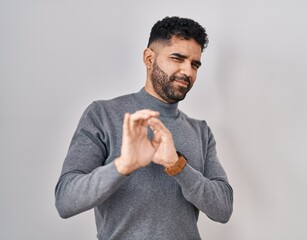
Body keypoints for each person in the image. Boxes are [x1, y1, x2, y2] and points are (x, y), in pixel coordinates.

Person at [55, 16, 233, 240]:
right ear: (149, 59)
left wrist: (177, 166)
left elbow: (223, 209)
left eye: (194, 64)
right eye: (178, 58)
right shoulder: (103, 114)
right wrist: (123, 166)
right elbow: (65, 200)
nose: (188, 71)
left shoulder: (201, 131)